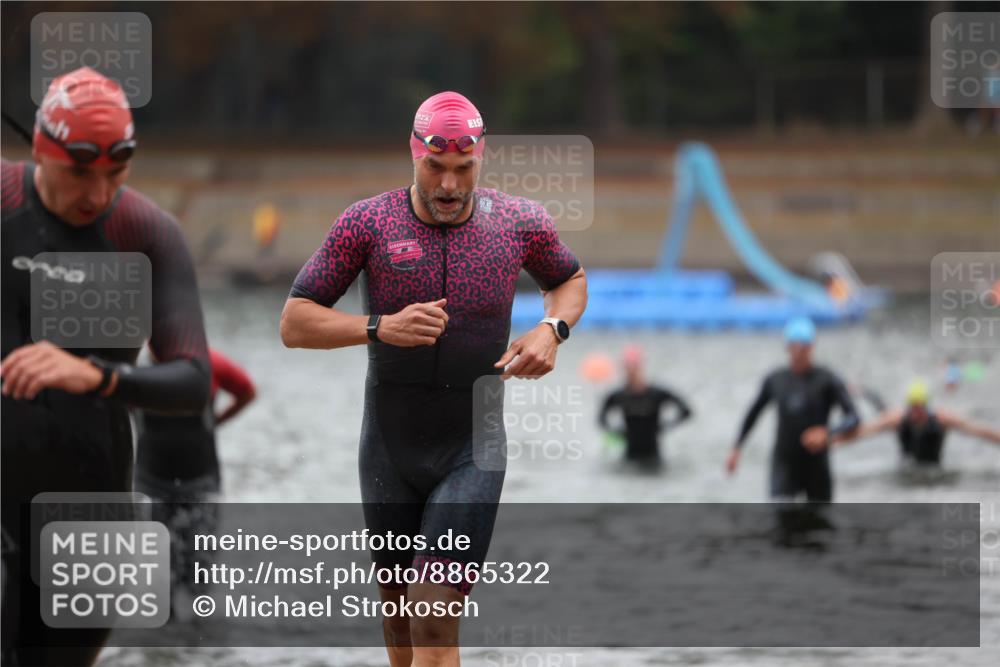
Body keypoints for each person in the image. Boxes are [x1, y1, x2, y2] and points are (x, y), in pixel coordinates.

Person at [280, 91, 587, 667]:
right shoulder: (368, 222)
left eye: (463, 169)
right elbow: (295, 323)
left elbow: (569, 281)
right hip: (389, 445)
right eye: (435, 166)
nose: (449, 184)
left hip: (472, 445)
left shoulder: (519, 223)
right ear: (412, 153)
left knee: (434, 612)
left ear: (481, 160)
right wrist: (377, 327)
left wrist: (552, 330)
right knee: (398, 616)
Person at [1, 68, 210, 666]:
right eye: (78, 172)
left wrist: (98, 376)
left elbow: (193, 380)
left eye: (114, 173)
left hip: (90, 510)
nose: (96, 193)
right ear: (43, 149)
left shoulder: (144, 232)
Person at [134, 347, 255, 618]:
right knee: (159, 573)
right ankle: (166, 647)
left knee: (199, 573)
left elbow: (247, 391)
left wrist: (216, 421)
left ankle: (199, 645)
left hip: (201, 482)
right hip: (150, 483)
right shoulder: (133, 371)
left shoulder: (210, 363)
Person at [724, 317, 859, 502]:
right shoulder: (775, 379)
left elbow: (853, 417)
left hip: (816, 464)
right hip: (784, 463)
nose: (798, 352)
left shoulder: (827, 379)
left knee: (820, 523)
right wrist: (736, 448)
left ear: (811, 347)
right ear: (787, 347)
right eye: (793, 346)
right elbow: (753, 413)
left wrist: (827, 433)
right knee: (781, 516)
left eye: (803, 347)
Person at [822, 379, 1000, 466]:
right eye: (912, 407)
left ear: (926, 406)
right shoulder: (897, 419)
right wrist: (829, 442)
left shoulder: (943, 419)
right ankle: (864, 391)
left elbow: (979, 431)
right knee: (881, 410)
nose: (915, 412)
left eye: (919, 408)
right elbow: (863, 433)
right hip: (907, 468)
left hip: (934, 470)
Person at [598, 345, 692, 469]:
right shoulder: (619, 396)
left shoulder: (656, 394)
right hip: (630, 456)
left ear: (640, 368)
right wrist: (617, 432)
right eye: (627, 368)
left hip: (654, 456)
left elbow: (686, 411)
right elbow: (601, 419)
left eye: (634, 368)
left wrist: (665, 426)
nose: (630, 372)